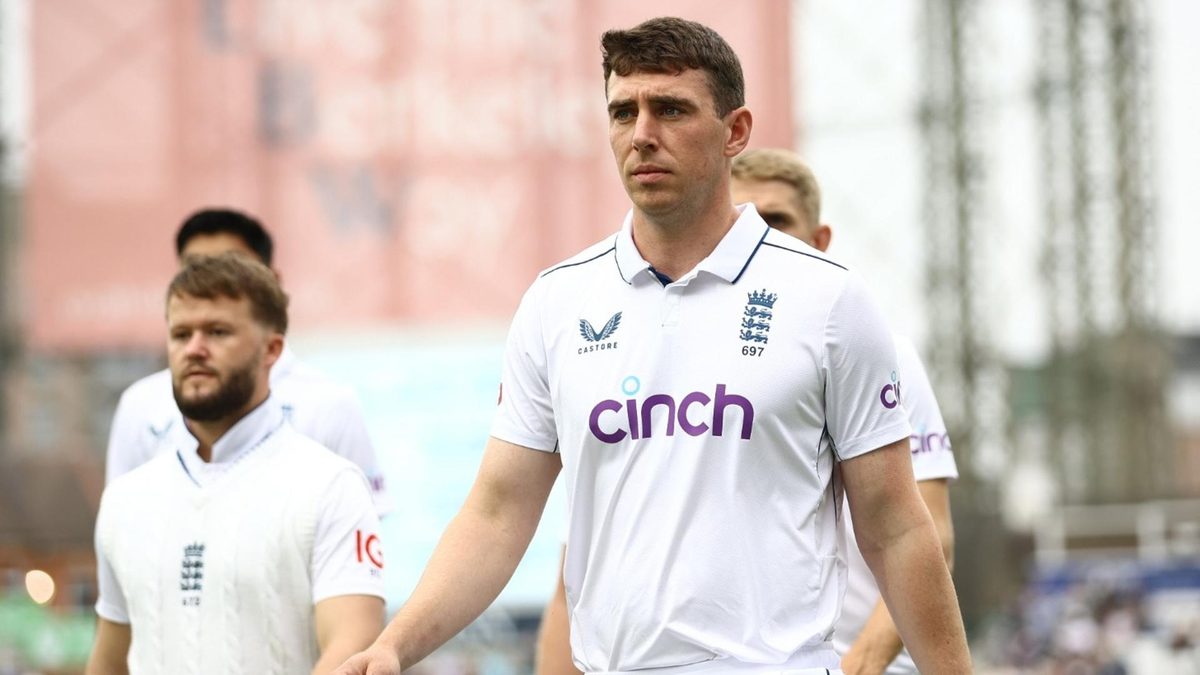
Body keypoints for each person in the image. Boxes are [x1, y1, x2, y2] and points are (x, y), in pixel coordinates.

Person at [335, 16, 971, 675]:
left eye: (670, 109)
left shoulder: (830, 298)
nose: (642, 135)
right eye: (622, 111)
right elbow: (498, 516)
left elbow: (897, 528)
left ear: (736, 132)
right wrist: (394, 643)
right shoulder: (557, 302)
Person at [534, 148, 961, 675]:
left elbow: (923, 533)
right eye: (743, 218)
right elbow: (571, 581)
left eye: (776, 220)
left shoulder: (877, 351)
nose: (757, 236)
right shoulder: (655, 357)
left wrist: (864, 660)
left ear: (819, 240)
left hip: (865, 659)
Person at [86, 253, 386, 675]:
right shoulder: (124, 501)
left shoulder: (330, 485)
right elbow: (109, 660)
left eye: (218, 332)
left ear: (273, 350)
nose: (194, 349)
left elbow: (353, 648)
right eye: (181, 333)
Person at [104, 208, 390, 515]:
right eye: (196, 268)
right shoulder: (141, 404)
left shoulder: (328, 404)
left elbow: (361, 531)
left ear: (273, 280)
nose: (210, 283)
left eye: (232, 267)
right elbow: (122, 524)